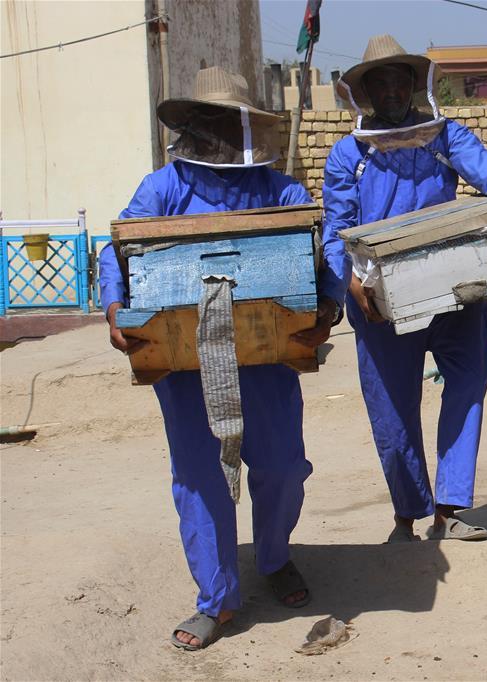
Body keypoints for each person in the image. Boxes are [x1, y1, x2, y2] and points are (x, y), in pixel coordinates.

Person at [98, 66, 348, 649]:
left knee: (282, 468)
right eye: (203, 120)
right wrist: (115, 311)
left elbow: (326, 245)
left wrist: (328, 310)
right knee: (199, 476)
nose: (213, 131)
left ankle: (275, 556)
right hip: (183, 360)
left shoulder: (279, 189)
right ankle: (216, 598)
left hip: (267, 356)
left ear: (243, 126)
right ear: (189, 126)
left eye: (224, 120)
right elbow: (119, 246)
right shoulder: (162, 186)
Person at [323, 35, 487, 543]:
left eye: (399, 80)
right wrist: (352, 285)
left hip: (454, 285)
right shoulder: (347, 156)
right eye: (379, 81)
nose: (391, 90)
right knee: (391, 403)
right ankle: (406, 515)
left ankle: (451, 507)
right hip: (380, 298)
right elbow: (335, 228)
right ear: (365, 91)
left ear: (413, 85)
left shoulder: (446, 137)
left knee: (469, 379)